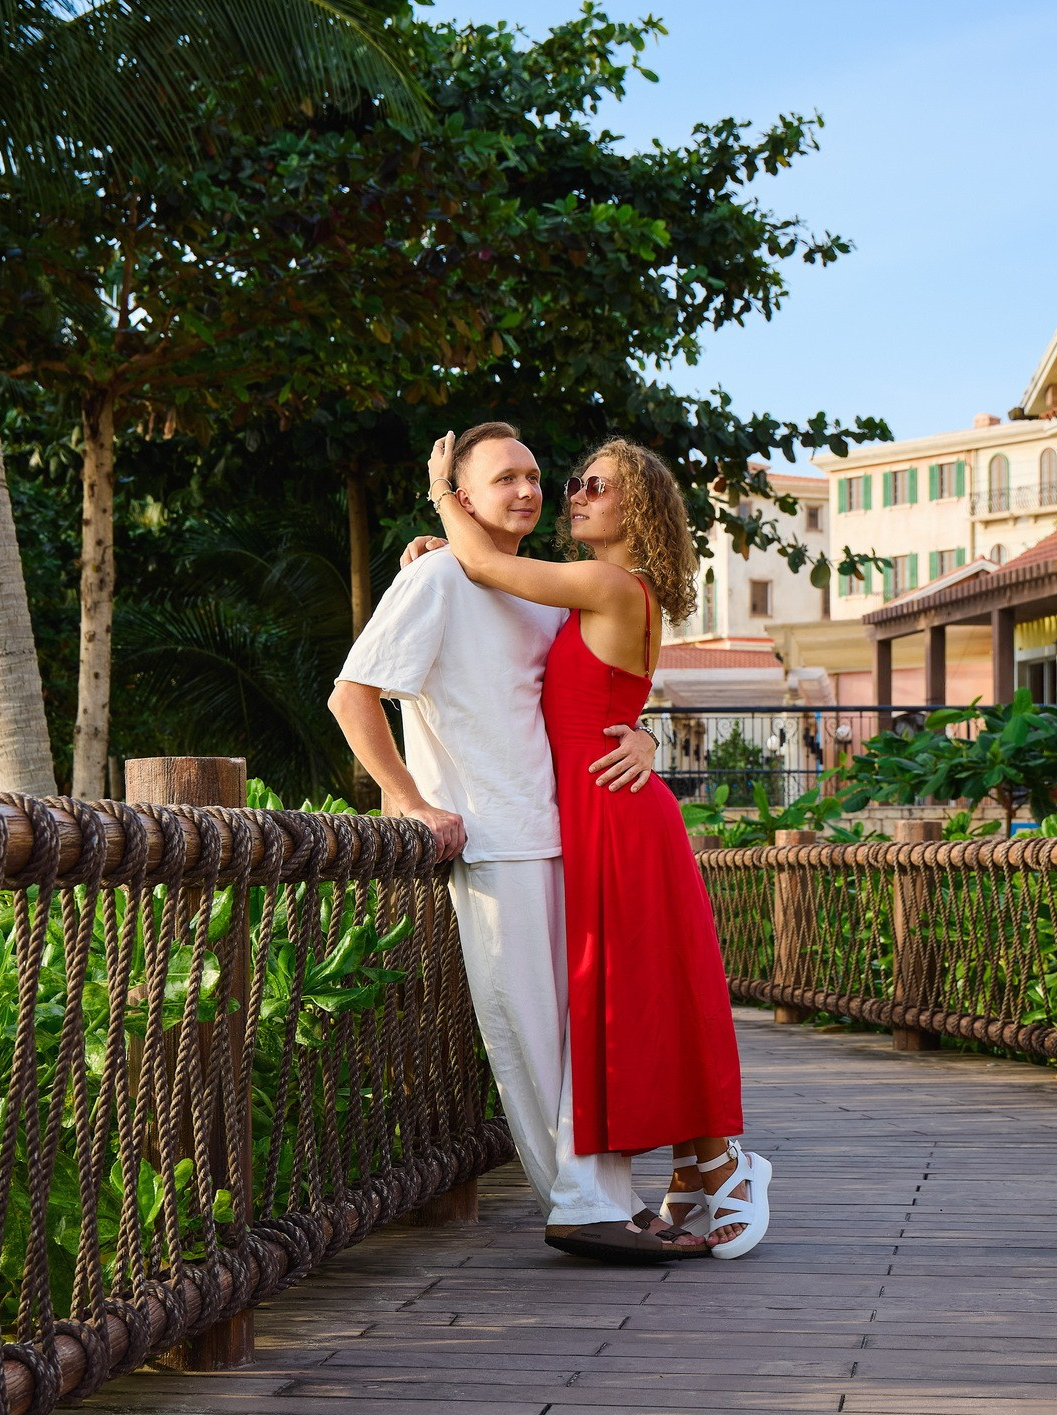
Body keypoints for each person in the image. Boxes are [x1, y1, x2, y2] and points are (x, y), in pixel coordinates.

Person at [327, 422, 707, 1262]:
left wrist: (642, 736)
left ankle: (609, 1197)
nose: (532, 489)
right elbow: (351, 697)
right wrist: (407, 799)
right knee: (529, 1032)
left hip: (569, 830)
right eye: (506, 478)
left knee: (577, 1040)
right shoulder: (434, 577)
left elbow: (594, 688)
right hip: (494, 836)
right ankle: (579, 1202)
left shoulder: (545, 590)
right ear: (463, 495)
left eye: (538, 474)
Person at [418, 431, 768, 1258]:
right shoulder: (595, 591)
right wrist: (447, 548)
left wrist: (444, 496)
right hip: (597, 809)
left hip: (612, 817)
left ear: (635, 507)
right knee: (630, 994)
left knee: (639, 993)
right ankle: (694, 1168)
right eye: (572, 482)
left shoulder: (609, 583)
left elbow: (499, 571)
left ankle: (724, 1165)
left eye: (593, 485)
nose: (573, 493)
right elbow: (510, 598)